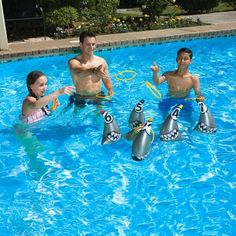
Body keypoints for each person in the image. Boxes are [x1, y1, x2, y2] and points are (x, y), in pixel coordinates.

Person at [150, 47, 204, 118]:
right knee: (165, 121)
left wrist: (200, 98)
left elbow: (198, 93)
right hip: (169, 100)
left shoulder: (193, 79)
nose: (182, 61)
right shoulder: (168, 75)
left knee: (189, 120)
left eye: (185, 59)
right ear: (176, 59)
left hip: (185, 101)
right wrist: (155, 73)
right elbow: (157, 82)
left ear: (190, 61)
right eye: (180, 58)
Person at [68, 30, 114, 108]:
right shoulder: (74, 62)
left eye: (93, 44)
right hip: (80, 98)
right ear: (81, 45)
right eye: (88, 44)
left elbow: (106, 78)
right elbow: (78, 69)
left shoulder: (101, 61)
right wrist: (93, 70)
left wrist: (110, 89)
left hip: (98, 96)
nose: (91, 47)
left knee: (101, 118)